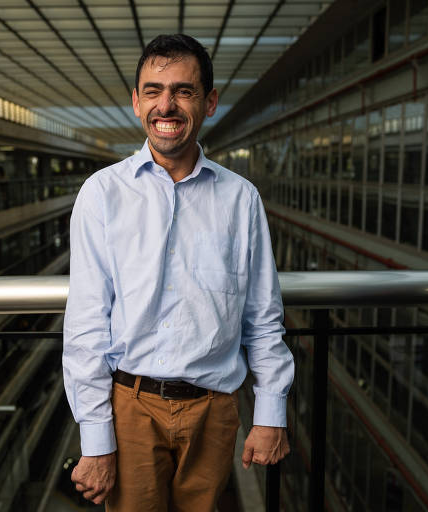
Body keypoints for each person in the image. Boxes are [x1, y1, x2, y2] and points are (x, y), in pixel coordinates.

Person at [63, 34, 295, 511]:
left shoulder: (240, 198)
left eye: (183, 91)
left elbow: (262, 314)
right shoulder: (101, 194)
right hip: (130, 405)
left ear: (209, 102)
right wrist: (95, 438)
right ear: (136, 102)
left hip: (215, 408)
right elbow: (86, 323)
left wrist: (271, 412)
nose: (165, 105)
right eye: (153, 90)